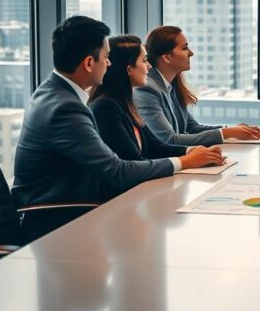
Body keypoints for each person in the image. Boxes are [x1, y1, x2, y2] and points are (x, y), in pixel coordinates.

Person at [13, 17, 204, 208]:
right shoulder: (65, 109)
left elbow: (151, 148)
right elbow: (117, 171)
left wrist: (190, 154)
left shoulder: (52, 93)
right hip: (59, 215)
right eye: (106, 57)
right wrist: (183, 162)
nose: (110, 64)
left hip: (78, 204)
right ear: (89, 63)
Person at [89, 35, 225, 200]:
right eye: (144, 60)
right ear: (129, 69)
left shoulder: (126, 103)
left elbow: (155, 146)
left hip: (137, 194)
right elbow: (132, 162)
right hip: (117, 200)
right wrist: (186, 161)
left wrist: (192, 151)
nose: (149, 66)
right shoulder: (105, 107)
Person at [135, 25, 260, 146]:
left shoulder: (170, 85)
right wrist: (227, 133)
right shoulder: (147, 90)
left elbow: (192, 128)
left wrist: (231, 130)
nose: (191, 53)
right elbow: (168, 140)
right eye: (184, 48)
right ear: (167, 58)